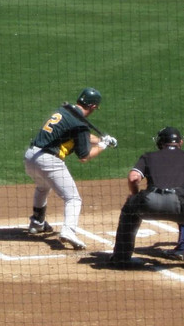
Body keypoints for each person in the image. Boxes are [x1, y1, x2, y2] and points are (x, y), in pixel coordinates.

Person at [107, 127, 184, 274]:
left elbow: (133, 178)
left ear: (160, 143)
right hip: (180, 205)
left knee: (129, 210)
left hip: (149, 202)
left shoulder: (148, 156)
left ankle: (121, 258)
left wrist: (135, 196)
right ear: (181, 142)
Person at [23, 87, 117, 250]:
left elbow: (82, 135)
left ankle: (37, 223)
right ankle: (68, 231)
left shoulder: (66, 110)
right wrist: (103, 145)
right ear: (93, 107)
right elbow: (84, 156)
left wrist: (101, 139)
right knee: (73, 199)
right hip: (48, 161)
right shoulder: (80, 123)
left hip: (31, 156)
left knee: (43, 187)